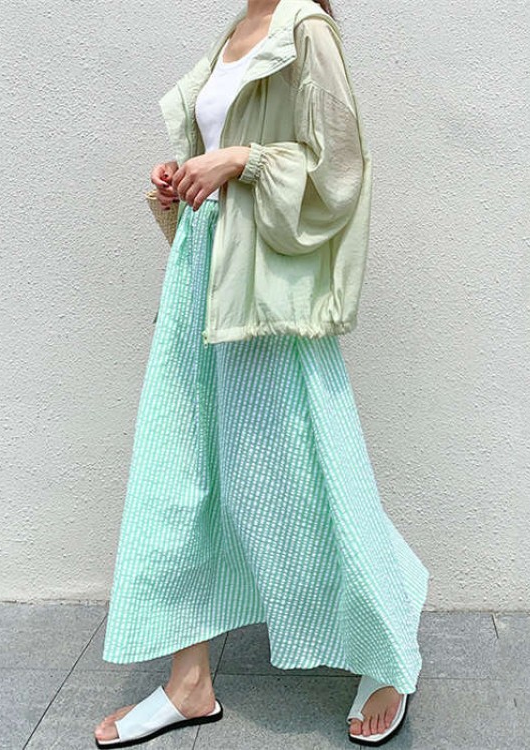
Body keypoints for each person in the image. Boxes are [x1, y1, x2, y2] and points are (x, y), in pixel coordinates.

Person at [94, 0, 430, 746]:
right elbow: (222, 154)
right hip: (201, 279)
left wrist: (241, 160)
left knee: (311, 473)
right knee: (179, 471)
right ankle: (189, 681)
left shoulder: (304, 29)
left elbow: (340, 167)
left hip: (263, 292)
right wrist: (187, 174)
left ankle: (386, 650)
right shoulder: (234, 34)